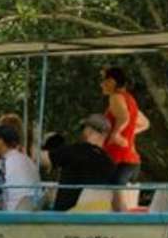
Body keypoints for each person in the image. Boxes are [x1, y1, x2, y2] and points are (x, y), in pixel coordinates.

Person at [40, 115, 122, 211]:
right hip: (94, 221)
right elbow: (119, 204)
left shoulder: (74, 151)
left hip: (65, 219)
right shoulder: (110, 163)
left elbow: (42, 159)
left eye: (83, 128)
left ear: (89, 131)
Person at [100, 67, 149, 210]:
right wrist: (127, 134)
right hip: (129, 159)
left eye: (103, 81)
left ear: (112, 81)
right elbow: (145, 123)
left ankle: (119, 223)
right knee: (114, 195)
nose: (101, 84)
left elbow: (124, 118)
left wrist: (116, 134)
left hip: (119, 157)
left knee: (114, 194)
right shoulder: (130, 99)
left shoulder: (115, 97)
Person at [0, 125, 41, 212]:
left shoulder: (6, 163)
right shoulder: (26, 159)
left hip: (11, 213)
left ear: (1, 141)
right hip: (28, 210)